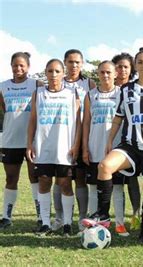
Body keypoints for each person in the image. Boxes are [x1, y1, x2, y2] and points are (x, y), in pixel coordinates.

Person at [82, 47, 143, 246]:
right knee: (105, 166)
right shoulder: (126, 90)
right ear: (135, 65)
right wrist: (110, 140)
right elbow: (118, 118)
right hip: (130, 146)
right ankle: (103, 215)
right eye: (140, 62)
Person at [27, 59, 82, 236]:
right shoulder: (38, 93)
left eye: (57, 71)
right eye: (50, 71)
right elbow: (33, 120)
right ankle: (45, 223)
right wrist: (29, 143)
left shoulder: (73, 93)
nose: (53, 75)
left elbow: (79, 123)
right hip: (43, 148)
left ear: (63, 73)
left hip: (65, 148)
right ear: (46, 73)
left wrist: (76, 145)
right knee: (44, 182)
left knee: (65, 184)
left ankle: (67, 223)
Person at [50, 49, 96, 232]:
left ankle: (82, 217)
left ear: (82, 64)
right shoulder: (57, 82)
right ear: (64, 63)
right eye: (70, 62)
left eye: (77, 62)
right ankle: (60, 217)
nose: (74, 65)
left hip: (83, 135)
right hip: (61, 137)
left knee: (80, 178)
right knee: (59, 180)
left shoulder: (89, 83)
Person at [82, 61, 130, 236]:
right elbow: (86, 122)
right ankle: (93, 224)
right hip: (95, 146)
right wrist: (85, 147)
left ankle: (119, 224)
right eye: (102, 72)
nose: (105, 75)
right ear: (98, 74)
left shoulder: (122, 93)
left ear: (115, 74)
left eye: (109, 72)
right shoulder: (91, 95)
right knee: (94, 187)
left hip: (116, 149)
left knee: (117, 188)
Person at [0, 52, 43, 229]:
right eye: (15, 65)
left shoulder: (37, 85)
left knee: (35, 177)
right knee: (11, 178)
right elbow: (4, 110)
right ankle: (6, 217)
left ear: (28, 67)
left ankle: (42, 217)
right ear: (10, 66)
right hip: (10, 140)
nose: (18, 68)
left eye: (22, 65)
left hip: (32, 141)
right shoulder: (2, 87)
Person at [111, 52, 141, 231]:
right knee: (114, 182)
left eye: (126, 67)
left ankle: (136, 215)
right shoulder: (109, 89)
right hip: (110, 141)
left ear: (131, 70)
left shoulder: (135, 90)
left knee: (132, 180)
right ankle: (116, 218)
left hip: (131, 142)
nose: (122, 70)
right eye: (119, 66)